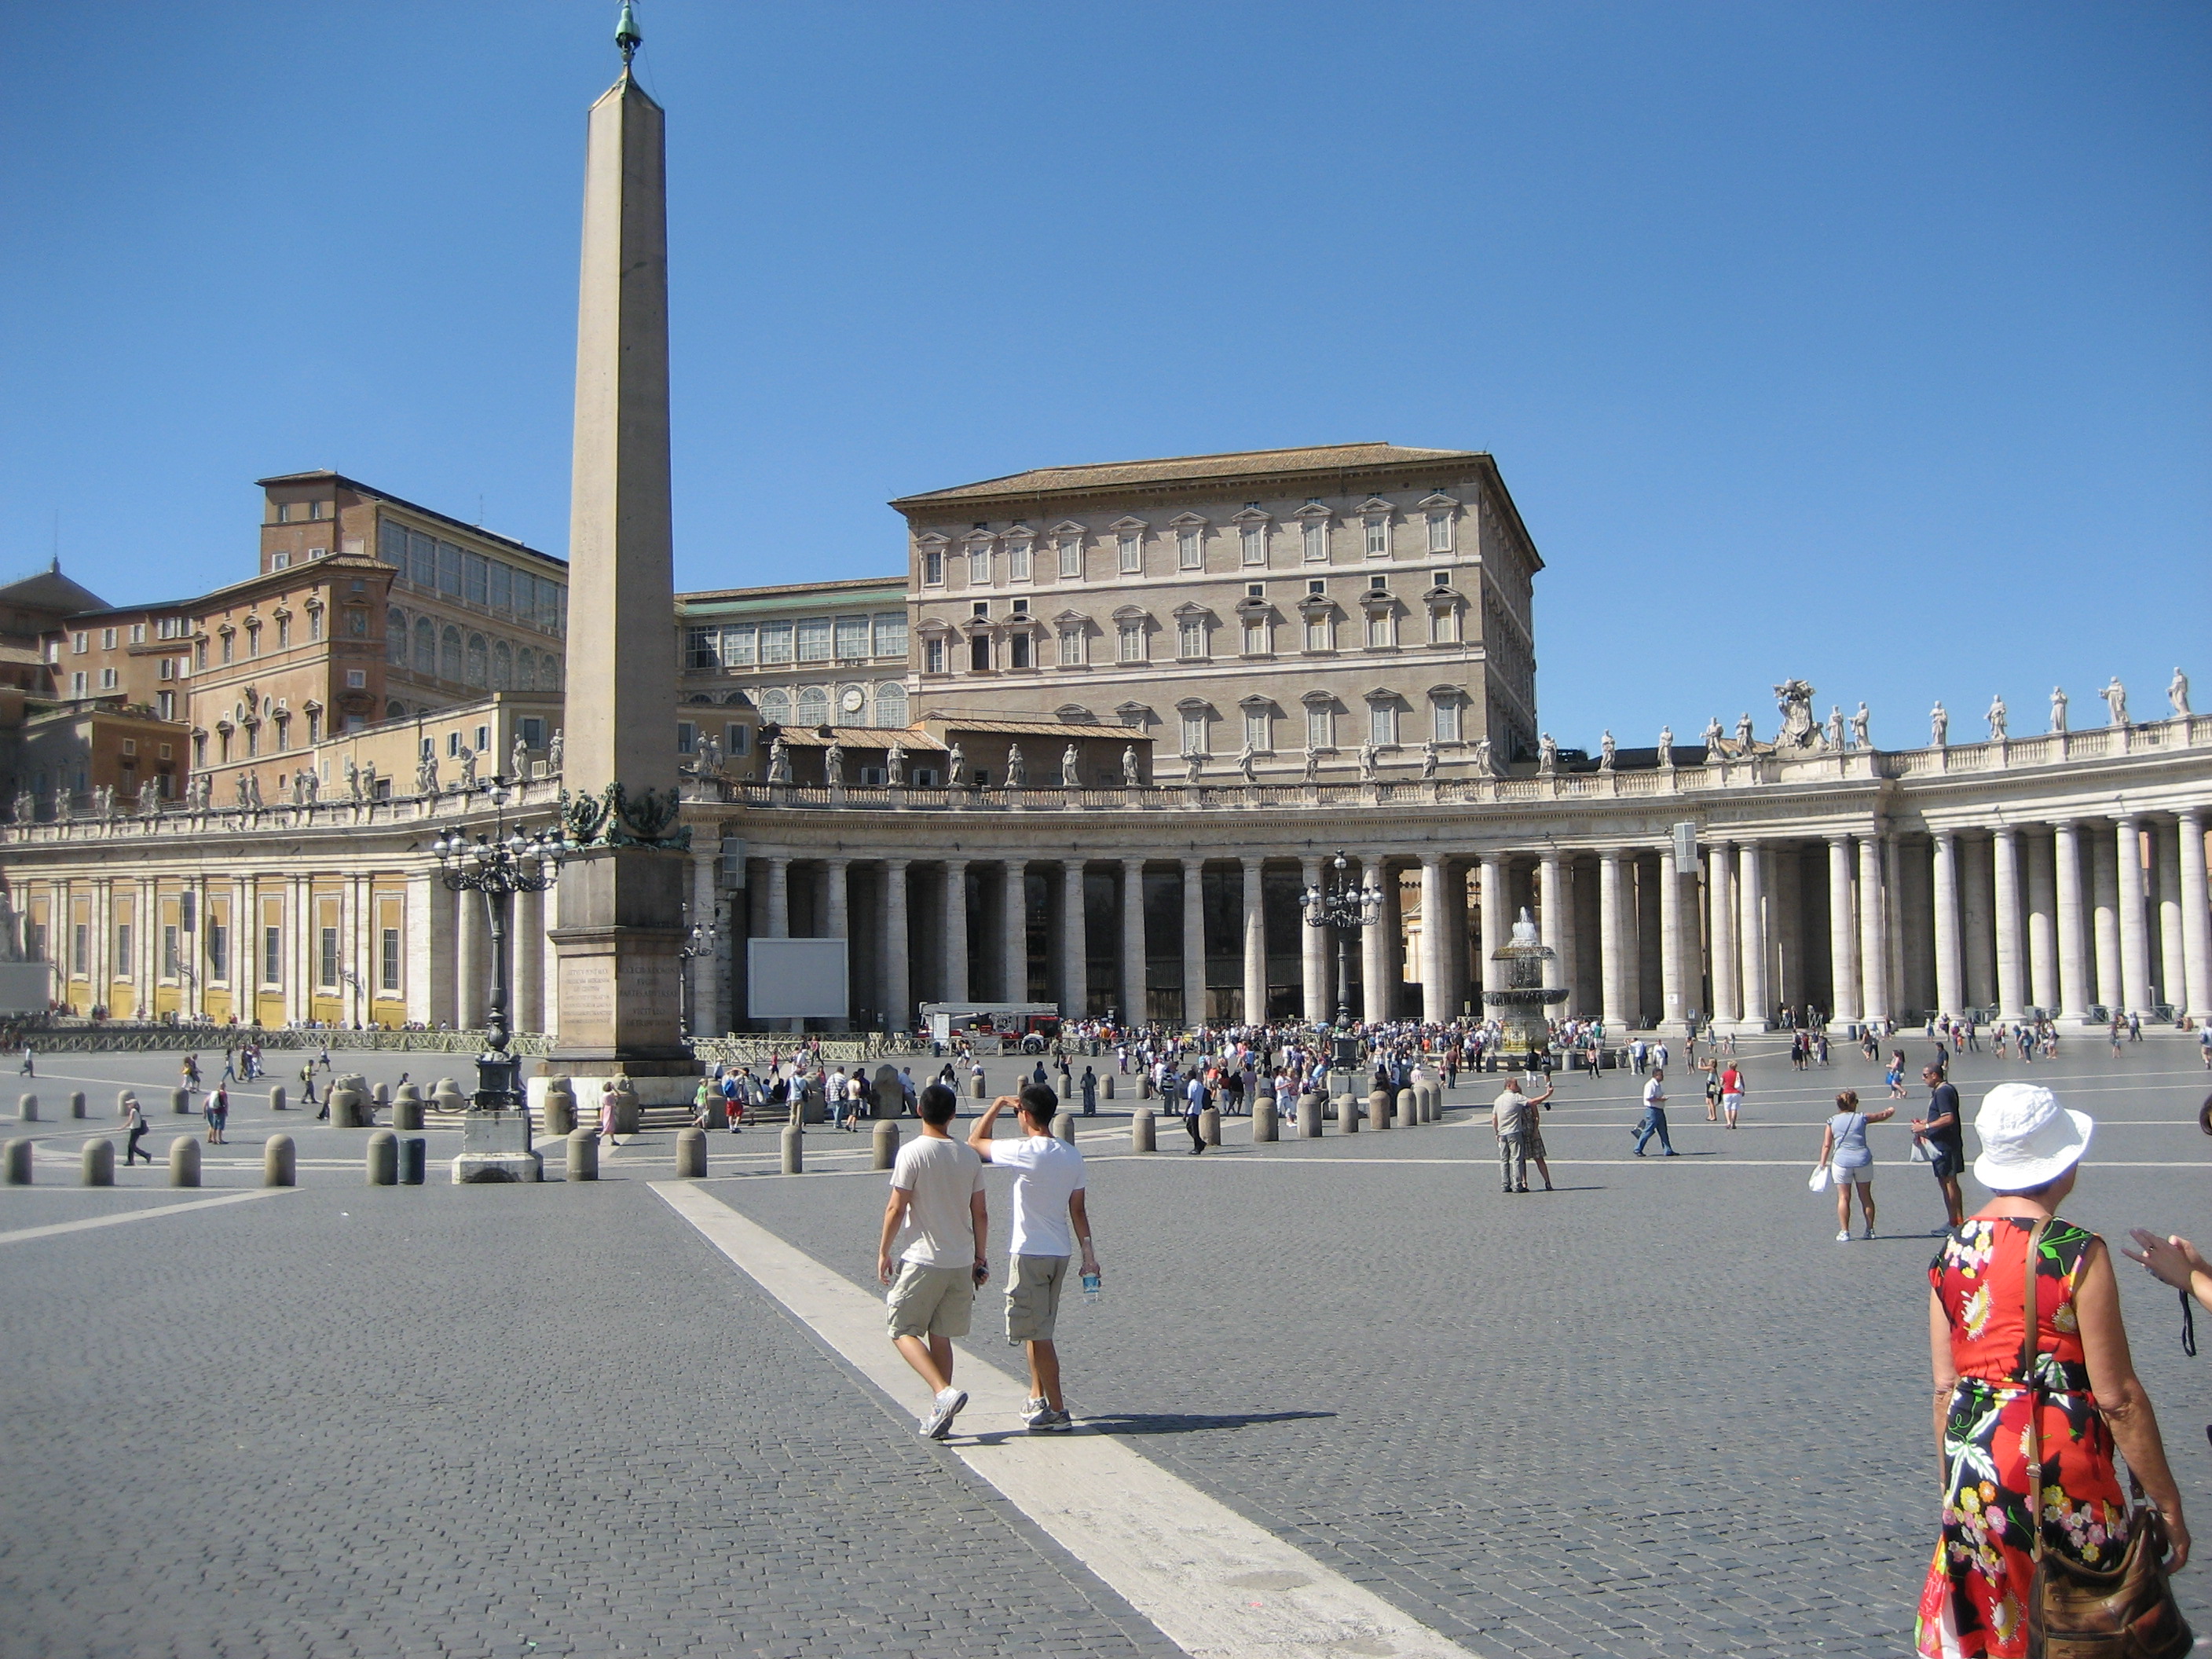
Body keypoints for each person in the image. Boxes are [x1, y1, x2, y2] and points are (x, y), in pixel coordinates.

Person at [1916, 1082, 2189, 1657]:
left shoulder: (1953, 1250)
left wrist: (1953, 1489)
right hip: (2060, 1467)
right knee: (2082, 1624)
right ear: (2060, 1166)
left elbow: (1944, 1388)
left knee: (2004, 1630)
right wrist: (2167, 1502)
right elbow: (2119, 1399)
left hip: (1975, 1466)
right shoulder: (2075, 1251)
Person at [968, 1087, 1098, 1433]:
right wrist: (1089, 1256)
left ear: (1025, 1114)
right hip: (1060, 1252)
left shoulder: (1023, 1151)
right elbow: (1078, 1211)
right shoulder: (1071, 1155)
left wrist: (997, 1104)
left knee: (1040, 1335)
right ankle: (1036, 1396)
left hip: (1029, 1252)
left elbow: (975, 1143)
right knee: (1035, 1328)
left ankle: (1058, 1409)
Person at [877, 1082, 988, 1441]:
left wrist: (883, 1251)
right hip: (960, 1260)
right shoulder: (969, 1155)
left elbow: (896, 1207)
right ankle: (941, 1413)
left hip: (923, 1258)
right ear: (953, 1115)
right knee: (941, 1336)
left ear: (919, 1110)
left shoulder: (912, 1152)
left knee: (901, 1328)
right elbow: (981, 1213)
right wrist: (980, 1257)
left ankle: (943, 1393)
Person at [1817, 1089, 1894, 1241]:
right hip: (1862, 1160)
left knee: (1844, 1197)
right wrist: (1890, 1111)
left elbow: (1827, 1144)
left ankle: (1845, 1231)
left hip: (1841, 1162)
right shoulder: (1861, 1118)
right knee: (1866, 1196)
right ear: (1853, 1104)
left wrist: (1822, 1164)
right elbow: (1881, 1116)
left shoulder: (1831, 1121)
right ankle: (1870, 1230)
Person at [1911, 1063, 1967, 1232]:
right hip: (1942, 1143)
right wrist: (1925, 1122)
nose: (1923, 1079)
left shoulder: (1943, 1091)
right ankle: (1954, 1220)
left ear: (1935, 1075)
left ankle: (1956, 1222)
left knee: (1949, 1182)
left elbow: (1948, 1118)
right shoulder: (1941, 1090)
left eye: (1925, 1075)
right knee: (1945, 1181)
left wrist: (1926, 1127)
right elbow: (1940, 1115)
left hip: (1946, 1144)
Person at [1491, 1075, 1542, 1192]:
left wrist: (1496, 1132)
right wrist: (1548, 1094)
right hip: (1514, 1132)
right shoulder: (1515, 1097)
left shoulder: (1498, 1100)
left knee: (1504, 1160)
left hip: (1502, 1133)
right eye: (1516, 1084)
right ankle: (1517, 1185)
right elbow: (1533, 1102)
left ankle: (1505, 1184)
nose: (1518, 1086)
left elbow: (1494, 1119)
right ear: (1509, 1085)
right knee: (1516, 1159)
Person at [1632, 1066, 1677, 1156]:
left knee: (1663, 1131)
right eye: (1661, 1075)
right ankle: (1638, 1149)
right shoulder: (1651, 1084)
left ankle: (1668, 1150)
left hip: (1659, 1110)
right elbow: (1649, 1098)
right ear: (1656, 1075)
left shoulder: (1657, 1084)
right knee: (1648, 1130)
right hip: (1653, 1111)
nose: (1663, 1076)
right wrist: (1660, 1099)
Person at [1181, 1067, 1208, 1155]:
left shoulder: (1191, 1085)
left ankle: (1197, 1147)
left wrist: (1185, 1113)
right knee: (1190, 1127)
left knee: (1194, 1129)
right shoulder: (1199, 1084)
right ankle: (1200, 1143)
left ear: (1190, 1076)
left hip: (1192, 1109)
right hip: (1198, 1108)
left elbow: (1190, 1099)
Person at [123, 1094, 150, 1165]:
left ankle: (145, 1155)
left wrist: (122, 1128)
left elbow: (130, 1121)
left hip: (134, 1130)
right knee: (132, 1146)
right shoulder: (137, 1110)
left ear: (133, 1105)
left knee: (131, 1146)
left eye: (129, 1104)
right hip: (137, 1129)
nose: (128, 1106)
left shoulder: (133, 1111)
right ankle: (131, 1160)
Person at [1717, 1060, 1745, 1129]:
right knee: (1734, 1108)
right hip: (1736, 1093)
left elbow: (1721, 1083)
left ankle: (1728, 1122)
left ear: (1729, 1066)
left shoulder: (1725, 1073)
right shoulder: (1738, 1073)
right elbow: (1742, 1083)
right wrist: (1743, 1091)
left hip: (1727, 1093)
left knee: (1727, 1108)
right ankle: (1733, 1124)